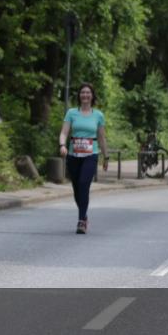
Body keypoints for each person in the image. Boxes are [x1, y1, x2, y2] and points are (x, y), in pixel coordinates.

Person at [58, 82, 109, 234]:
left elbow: (102, 138)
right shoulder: (71, 113)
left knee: (84, 184)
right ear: (79, 95)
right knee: (76, 189)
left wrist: (106, 156)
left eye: (88, 93)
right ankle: (84, 215)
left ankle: (81, 222)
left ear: (92, 96)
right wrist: (62, 145)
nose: (85, 95)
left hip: (90, 155)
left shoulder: (98, 115)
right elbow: (64, 132)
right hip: (73, 155)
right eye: (82, 92)